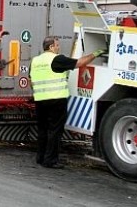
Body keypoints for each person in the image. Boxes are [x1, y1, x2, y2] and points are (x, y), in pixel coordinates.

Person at [30, 36, 107, 168]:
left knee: (43, 130)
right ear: (51, 47)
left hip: (40, 100)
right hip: (56, 100)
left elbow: (31, 80)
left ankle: (41, 157)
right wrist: (95, 54)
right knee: (55, 131)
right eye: (57, 45)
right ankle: (50, 160)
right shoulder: (57, 59)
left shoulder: (35, 60)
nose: (58, 47)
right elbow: (79, 63)